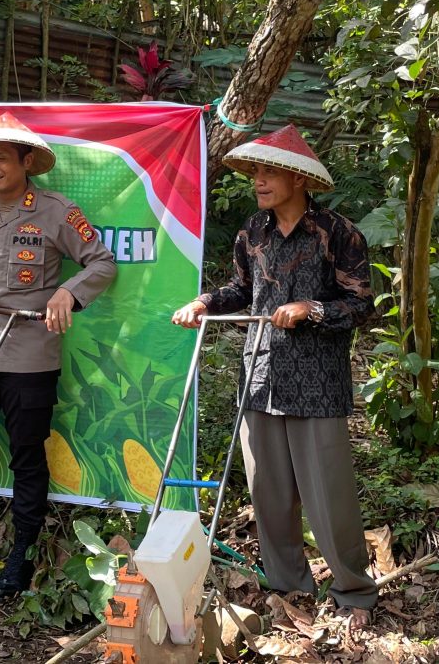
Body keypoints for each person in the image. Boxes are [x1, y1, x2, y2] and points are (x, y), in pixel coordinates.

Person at [171, 124, 379, 633]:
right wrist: (203, 302)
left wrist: (310, 309)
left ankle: (354, 590)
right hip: (260, 374)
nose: (258, 180)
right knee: (267, 489)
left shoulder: (338, 232)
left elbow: (360, 305)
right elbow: (241, 290)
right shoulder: (252, 232)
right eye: (255, 172)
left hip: (317, 382)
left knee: (327, 495)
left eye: (268, 171)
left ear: (298, 178)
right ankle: (288, 586)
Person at [0, 113, 117, 597]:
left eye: (1, 158)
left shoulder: (57, 211)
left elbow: (101, 262)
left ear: (27, 161)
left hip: (30, 357)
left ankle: (19, 559)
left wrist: (68, 295)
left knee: (25, 460)